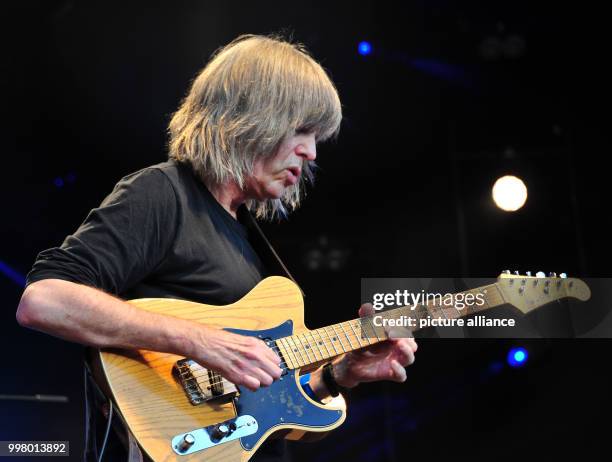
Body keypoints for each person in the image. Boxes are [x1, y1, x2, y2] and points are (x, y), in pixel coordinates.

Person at [16, 34, 417, 461]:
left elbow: (259, 415)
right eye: (301, 129)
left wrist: (339, 376)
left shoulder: (249, 239)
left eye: (317, 137)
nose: (312, 152)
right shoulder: (164, 193)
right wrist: (201, 341)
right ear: (251, 115)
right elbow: (45, 300)